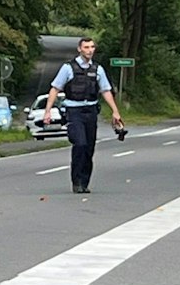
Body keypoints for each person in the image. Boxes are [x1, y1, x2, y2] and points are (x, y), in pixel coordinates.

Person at [45, 37, 124, 194]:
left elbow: (106, 91)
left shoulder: (97, 69)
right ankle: (76, 181)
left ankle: (84, 182)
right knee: (79, 144)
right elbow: (55, 89)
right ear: (79, 49)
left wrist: (115, 111)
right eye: (86, 47)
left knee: (89, 148)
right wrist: (48, 110)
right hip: (74, 112)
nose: (90, 50)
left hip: (91, 111)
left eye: (92, 47)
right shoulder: (68, 68)